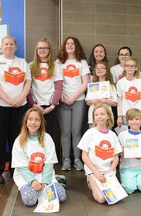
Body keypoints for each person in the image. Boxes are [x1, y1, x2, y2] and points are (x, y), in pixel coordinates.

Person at [0, 35, 31, 184]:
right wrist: (8, 99)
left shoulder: (22, 62)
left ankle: (15, 169)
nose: (9, 46)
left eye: (12, 44)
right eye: (6, 44)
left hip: (20, 107)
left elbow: (28, 82)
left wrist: (20, 99)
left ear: (16, 47)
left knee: (17, 140)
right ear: (1, 46)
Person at [11, 108, 66, 206]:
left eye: (37, 120)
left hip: (44, 175)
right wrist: (32, 181)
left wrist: (45, 182)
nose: (33, 122)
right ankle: (33, 189)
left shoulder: (47, 138)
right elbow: (21, 167)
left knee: (61, 196)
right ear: (26, 121)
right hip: (27, 177)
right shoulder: (19, 141)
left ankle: (57, 181)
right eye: (30, 119)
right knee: (30, 200)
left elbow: (49, 163)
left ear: (41, 122)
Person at [56, 36, 90, 171]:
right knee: (65, 131)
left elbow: (86, 82)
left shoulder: (82, 62)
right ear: (64, 46)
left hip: (78, 100)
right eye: (68, 43)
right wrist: (62, 96)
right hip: (63, 100)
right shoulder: (58, 63)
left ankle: (77, 159)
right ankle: (66, 159)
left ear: (77, 46)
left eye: (73, 43)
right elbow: (56, 82)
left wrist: (74, 97)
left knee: (76, 131)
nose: (70, 45)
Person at [77, 104, 122, 203]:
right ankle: (91, 180)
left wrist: (110, 171)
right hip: (94, 171)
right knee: (101, 199)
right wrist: (96, 172)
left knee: (114, 197)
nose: (99, 116)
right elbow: (84, 156)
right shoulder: (89, 133)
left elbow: (116, 157)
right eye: (96, 114)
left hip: (108, 172)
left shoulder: (113, 135)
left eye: (102, 114)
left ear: (108, 116)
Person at [27, 38, 63, 138]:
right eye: (40, 48)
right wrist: (33, 104)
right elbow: (28, 88)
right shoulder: (30, 66)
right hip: (35, 106)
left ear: (49, 50)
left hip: (50, 106)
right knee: (33, 134)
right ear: (36, 50)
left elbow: (58, 88)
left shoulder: (56, 66)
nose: (42, 50)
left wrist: (52, 106)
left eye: (45, 48)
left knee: (48, 134)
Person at [118, 108, 141, 194]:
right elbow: (117, 154)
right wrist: (120, 150)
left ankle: (137, 180)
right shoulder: (122, 135)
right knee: (129, 189)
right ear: (128, 121)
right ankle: (130, 180)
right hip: (127, 167)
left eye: (137, 119)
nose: (134, 121)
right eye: (131, 119)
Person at [116, 58, 141, 127]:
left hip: (138, 114)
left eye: (132, 66)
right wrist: (119, 116)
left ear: (136, 68)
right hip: (125, 114)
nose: (130, 68)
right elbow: (119, 101)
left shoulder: (140, 82)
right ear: (124, 67)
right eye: (127, 65)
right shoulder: (120, 82)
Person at [86, 62, 117, 128]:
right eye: (97, 68)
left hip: (106, 117)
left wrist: (105, 101)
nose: (99, 70)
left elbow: (115, 103)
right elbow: (88, 102)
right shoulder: (92, 85)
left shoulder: (111, 86)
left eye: (102, 68)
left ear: (107, 70)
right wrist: (93, 101)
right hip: (93, 117)